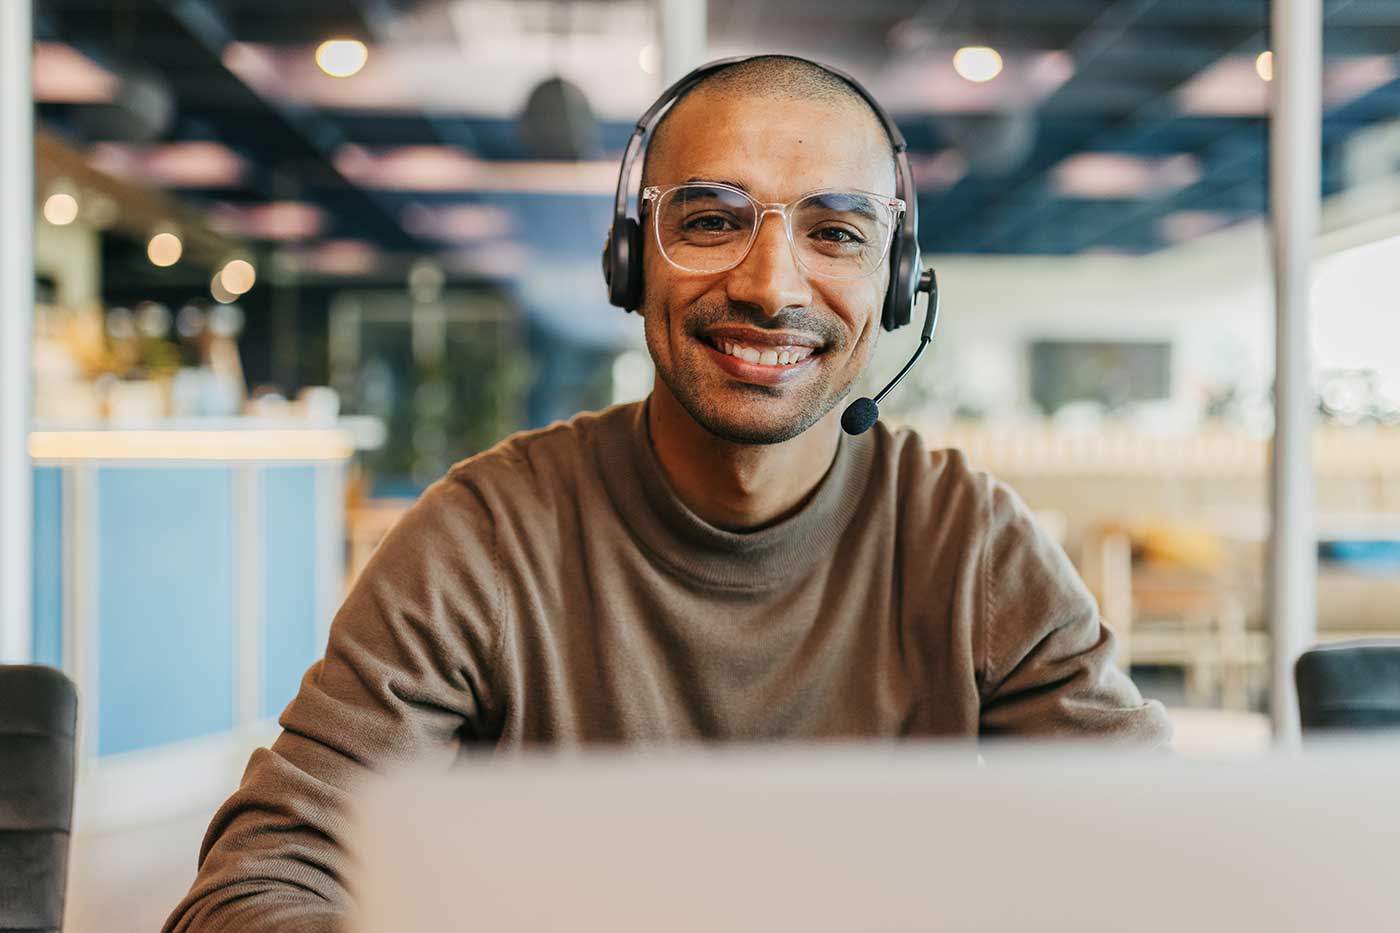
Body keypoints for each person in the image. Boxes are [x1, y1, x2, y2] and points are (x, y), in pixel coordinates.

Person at [164, 54, 1169, 933]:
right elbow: (264, 877)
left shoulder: (965, 539)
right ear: (628, 262)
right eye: (710, 220)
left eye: (834, 232)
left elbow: (1155, 853)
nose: (771, 286)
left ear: (894, 282)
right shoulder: (487, 534)